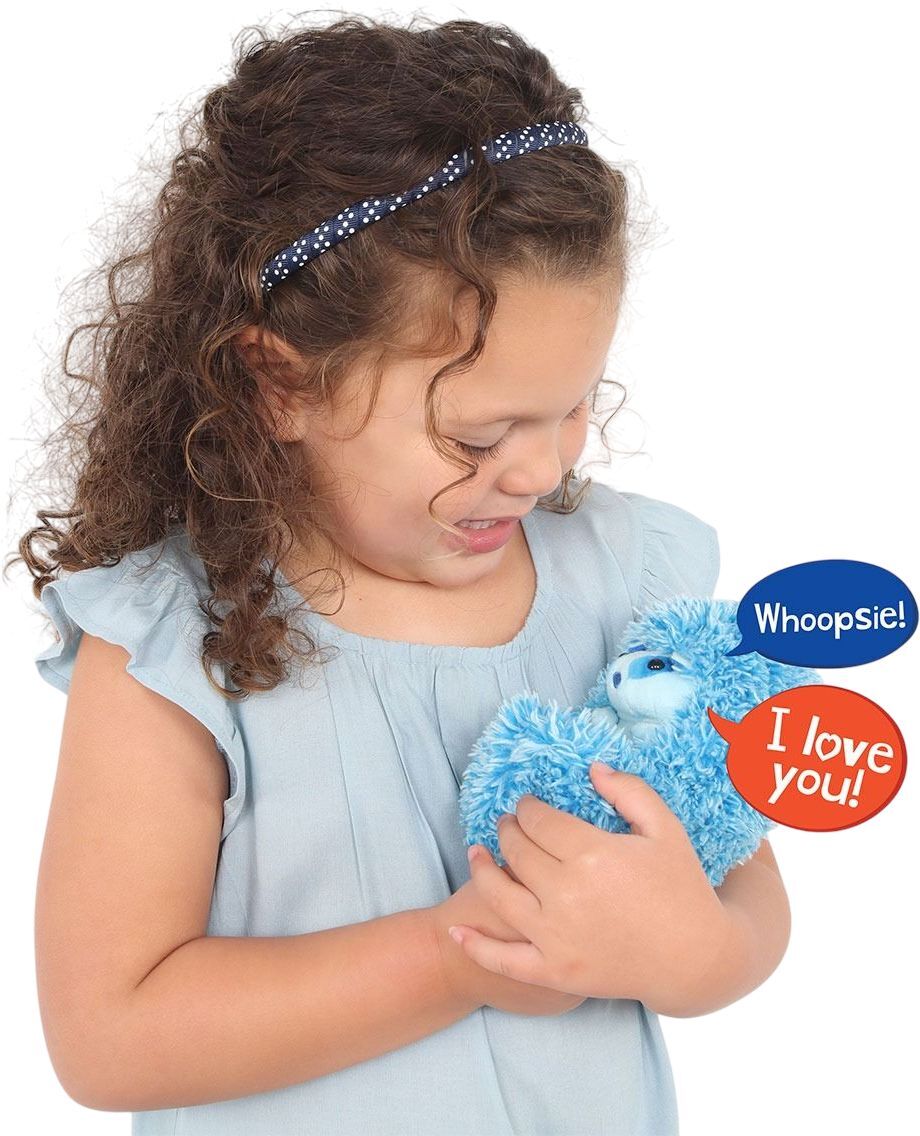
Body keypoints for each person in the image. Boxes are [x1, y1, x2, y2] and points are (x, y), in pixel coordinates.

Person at [19, 14, 790, 1136]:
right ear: (281, 385)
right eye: (476, 436)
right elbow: (107, 1034)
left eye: (572, 406)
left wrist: (696, 950)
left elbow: (742, 887)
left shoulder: (623, 579)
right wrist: (454, 957)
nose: (541, 469)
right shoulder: (177, 643)